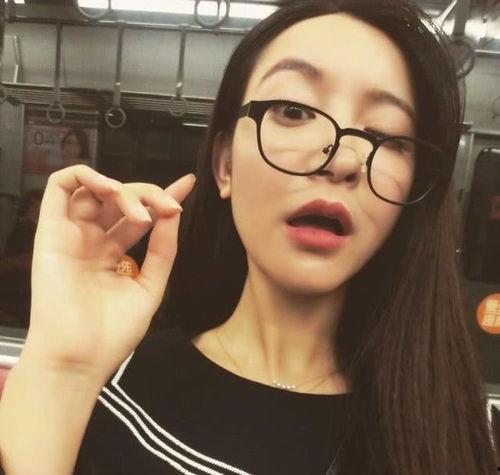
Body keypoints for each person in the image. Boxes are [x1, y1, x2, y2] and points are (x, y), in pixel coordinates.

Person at [0, 0, 497, 474]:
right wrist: (60, 366)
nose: (343, 159)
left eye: (387, 135)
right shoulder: (110, 389)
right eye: (293, 110)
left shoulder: (447, 429)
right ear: (225, 165)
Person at [0, 190, 43, 328]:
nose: (37, 210)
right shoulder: (22, 231)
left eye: (40, 206)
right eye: (33, 206)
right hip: (17, 299)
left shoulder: (44, 233)